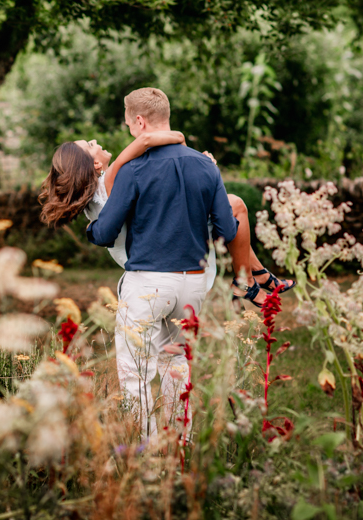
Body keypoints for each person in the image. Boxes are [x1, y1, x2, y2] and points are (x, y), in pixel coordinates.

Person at [39, 88, 293, 436]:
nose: (97, 140)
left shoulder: (111, 183)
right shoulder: (113, 177)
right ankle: (180, 445)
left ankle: (146, 452)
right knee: (176, 364)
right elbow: (140, 148)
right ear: (95, 164)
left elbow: (140, 169)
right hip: (186, 271)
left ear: (138, 121)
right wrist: (189, 154)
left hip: (149, 281)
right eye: (90, 144)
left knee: (135, 374)